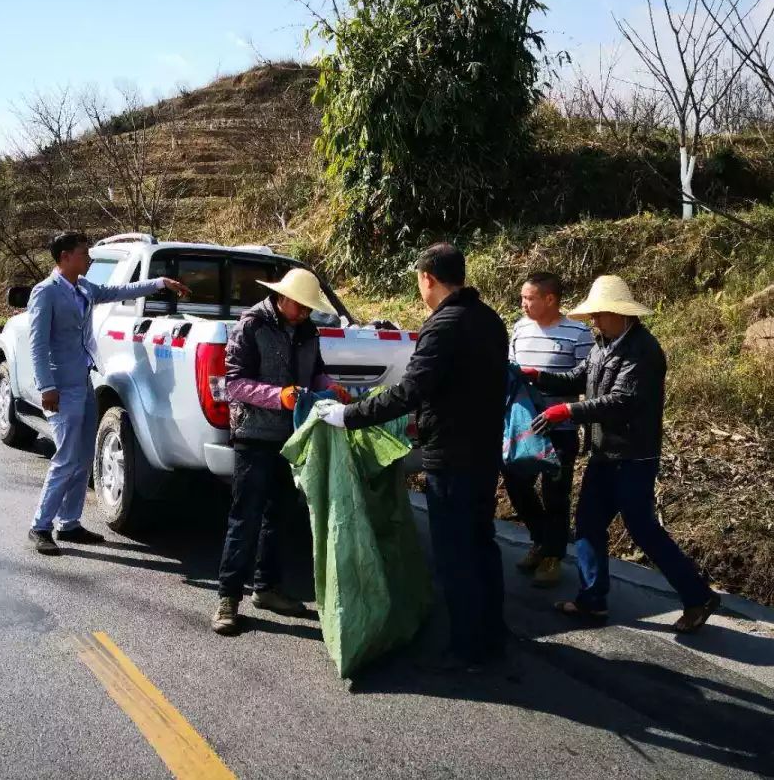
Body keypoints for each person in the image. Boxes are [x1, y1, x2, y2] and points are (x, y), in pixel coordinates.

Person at [319, 243, 509, 668]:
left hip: (452, 456)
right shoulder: (490, 320)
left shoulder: (443, 326)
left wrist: (348, 416)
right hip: (483, 452)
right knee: (482, 544)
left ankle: (467, 649)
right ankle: (492, 633)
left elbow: (410, 390)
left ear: (428, 278)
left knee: (455, 553)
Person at [528, 275, 720, 633]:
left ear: (621, 313)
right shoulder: (604, 345)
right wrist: (537, 375)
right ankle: (592, 600)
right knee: (586, 526)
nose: (594, 322)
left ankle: (698, 596)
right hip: (605, 454)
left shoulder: (643, 351)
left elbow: (622, 401)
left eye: (600, 315)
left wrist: (567, 412)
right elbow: (578, 377)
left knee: (643, 529)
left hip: (634, 456)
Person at [27, 231, 189, 555]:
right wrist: (46, 387)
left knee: (84, 455)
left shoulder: (84, 288)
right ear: (65, 257)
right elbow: (37, 344)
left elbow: (118, 290)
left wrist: (159, 283)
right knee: (66, 457)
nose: (89, 259)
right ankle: (40, 526)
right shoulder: (45, 293)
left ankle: (68, 523)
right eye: (83, 253)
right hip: (60, 387)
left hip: (84, 381)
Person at [213, 268, 351, 636]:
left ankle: (267, 588)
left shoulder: (308, 331)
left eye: (310, 309)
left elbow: (315, 373)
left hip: (291, 437)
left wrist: (329, 386)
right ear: (282, 297)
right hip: (254, 435)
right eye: (301, 307)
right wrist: (279, 396)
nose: (305, 314)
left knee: (281, 515)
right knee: (246, 517)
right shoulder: (252, 325)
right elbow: (235, 384)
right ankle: (228, 598)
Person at [506, 272, 593, 587]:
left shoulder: (579, 333)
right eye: (523, 298)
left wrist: (540, 378)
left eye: (529, 298)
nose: (524, 304)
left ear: (550, 299)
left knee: (556, 493)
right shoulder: (519, 328)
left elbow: (587, 379)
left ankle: (553, 556)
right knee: (516, 483)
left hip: (561, 427)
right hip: (523, 426)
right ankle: (541, 540)